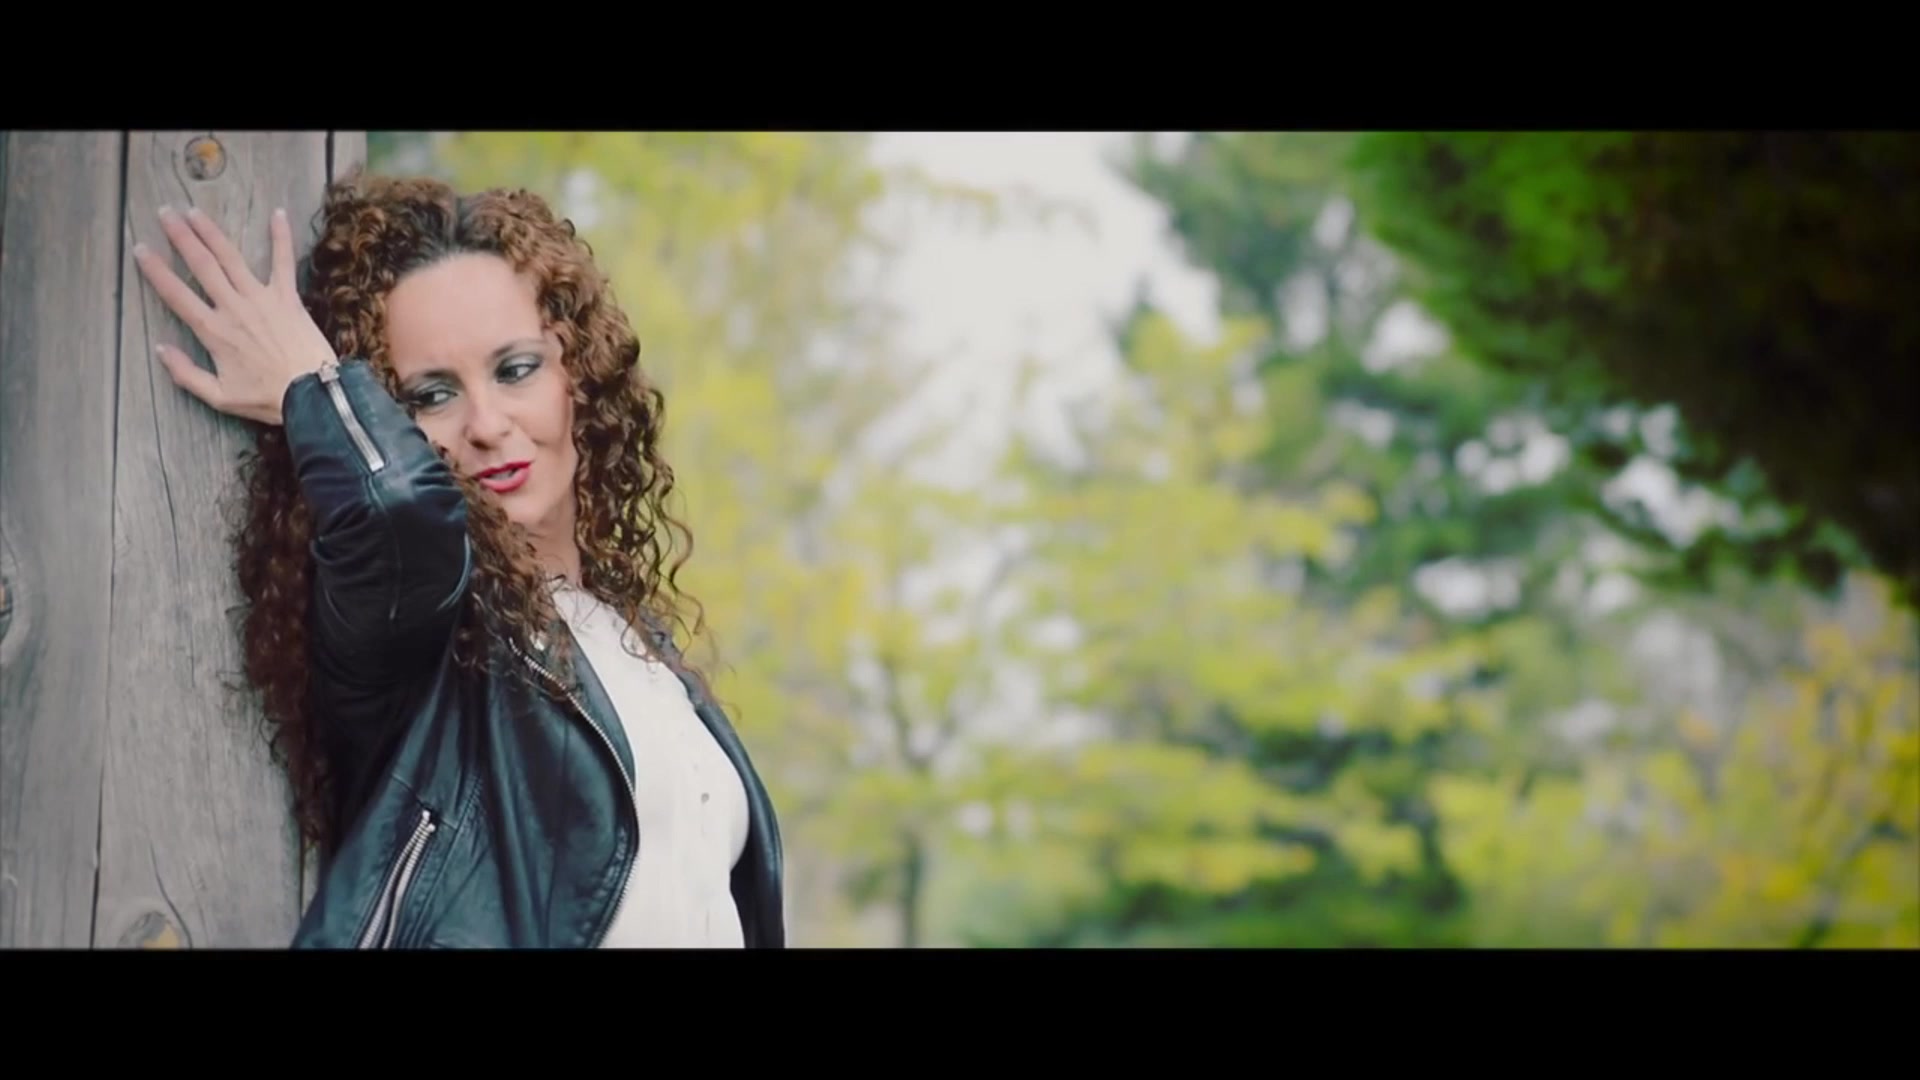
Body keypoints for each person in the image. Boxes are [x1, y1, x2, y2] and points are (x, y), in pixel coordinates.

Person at [131, 172, 784, 948]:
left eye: (515, 370)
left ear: (580, 376)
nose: (487, 424)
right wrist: (315, 389)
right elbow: (398, 511)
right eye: (431, 395)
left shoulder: (635, 646)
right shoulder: (425, 634)